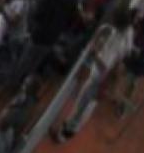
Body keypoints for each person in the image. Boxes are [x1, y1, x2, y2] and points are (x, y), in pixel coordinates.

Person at [53, 8, 136, 141]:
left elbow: (105, 65)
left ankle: (67, 132)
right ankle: (69, 125)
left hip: (100, 77)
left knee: (83, 105)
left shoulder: (118, 41)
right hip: (104, 76)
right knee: (83, 103)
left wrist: (95, 52)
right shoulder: (129, 31)